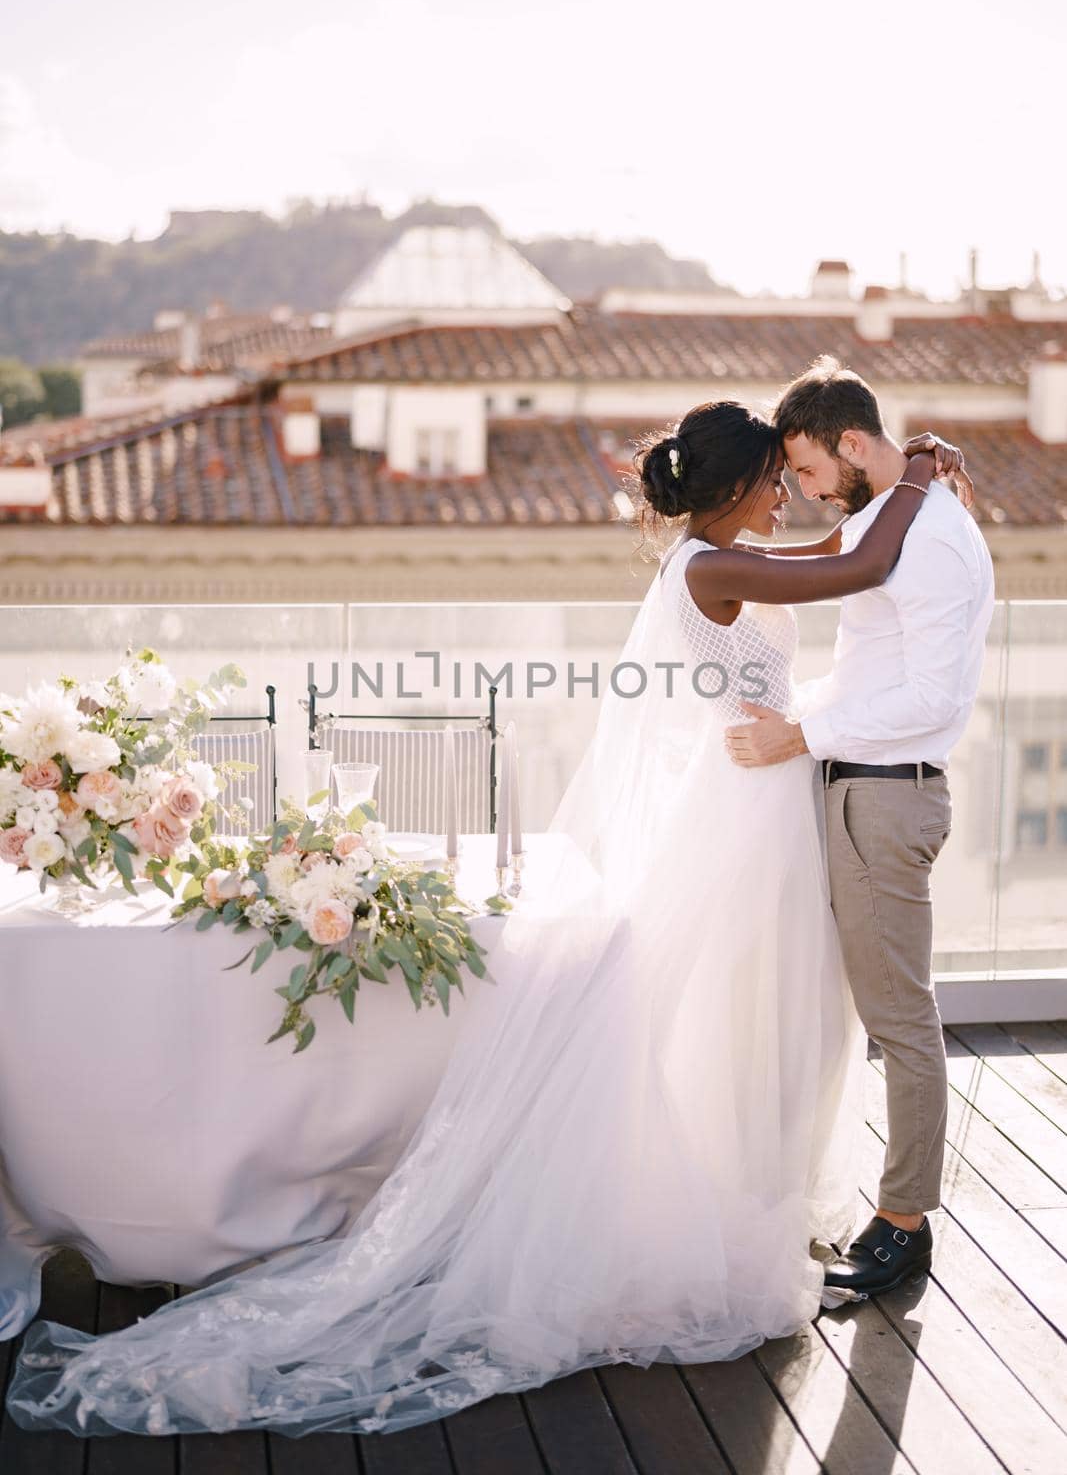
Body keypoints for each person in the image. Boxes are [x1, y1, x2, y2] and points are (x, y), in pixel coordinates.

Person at [6, 401, 962, 1440]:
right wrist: (912, 478)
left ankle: (743, 1194)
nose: (787, 494)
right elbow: (847, 571)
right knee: (721, 1012)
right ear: (733, 488)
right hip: (739, 810)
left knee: (756, 1016)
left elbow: (830, 547)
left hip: (759, 800)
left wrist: (897, 492)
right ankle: (711, 1213)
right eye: (773, 478)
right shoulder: (704, 569)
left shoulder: (725, 553)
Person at [725, 357, 994, 1299]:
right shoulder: (891, 517)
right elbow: (873, 670)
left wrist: (799, 733)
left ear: (848, 443)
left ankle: (903, 1225)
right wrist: (790, 715)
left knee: (899, 1019)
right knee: (871, 1010)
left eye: (801, 469)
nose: (797, 491)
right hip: (856, 786)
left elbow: (926, 697)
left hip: (886, 794)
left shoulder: (925, 537)